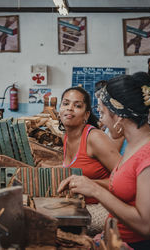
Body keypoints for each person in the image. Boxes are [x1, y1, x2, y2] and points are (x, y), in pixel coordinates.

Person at [58, 72, 150, 250]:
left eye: (102, 113)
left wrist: (95, 190)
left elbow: (146, 226)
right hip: (112, 238)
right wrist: (86, 182)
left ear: (119, 116)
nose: (101, 121)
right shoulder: (134, 146)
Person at [58, 86, 121, 235]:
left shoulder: (94, 138)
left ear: (86, 115)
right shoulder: (67, 137)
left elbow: (126, 178)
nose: (70, 108)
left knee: (51, 224)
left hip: (103, 207)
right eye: (65, 103)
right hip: (80, 205)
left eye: (77, 105)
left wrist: (91, 184)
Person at [94, 80, 127, 155]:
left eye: (99, 106)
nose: (97, 109)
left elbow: (109, 157)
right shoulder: (112, 124)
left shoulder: (117, 126)